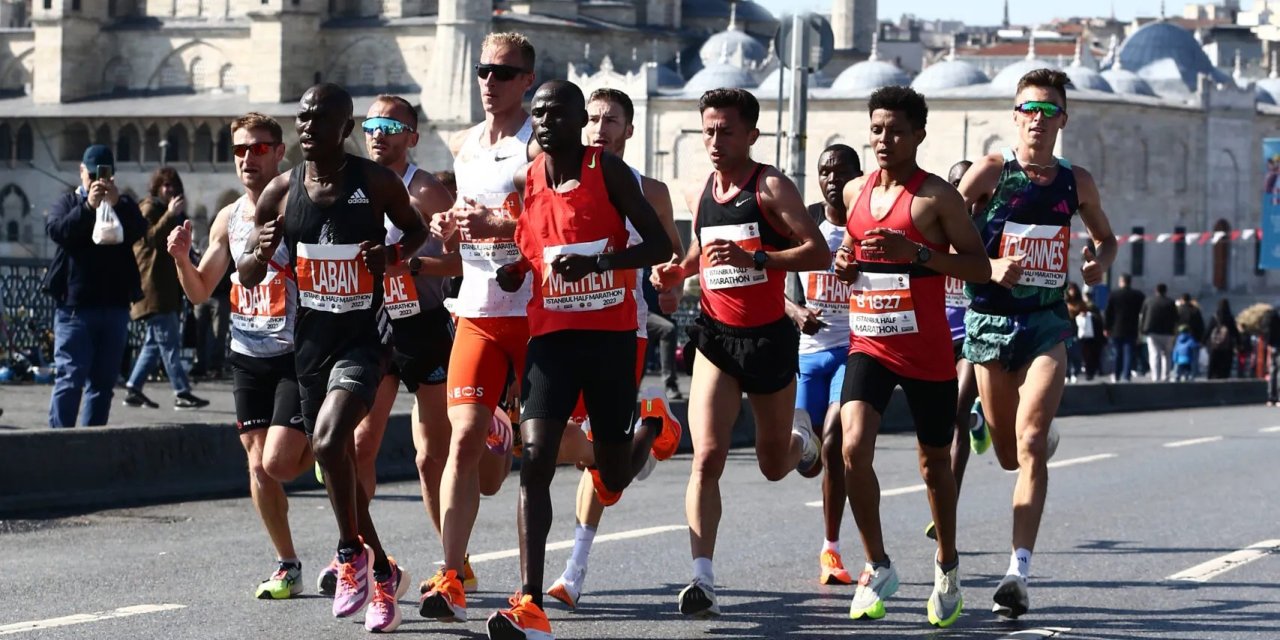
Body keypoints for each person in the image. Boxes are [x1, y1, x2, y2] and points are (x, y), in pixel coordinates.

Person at [482, 79, 672, 640]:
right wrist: (516, 269)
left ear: (577, 120)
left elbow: (659, 246)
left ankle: (653, 425)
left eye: (557, 113)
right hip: (551, 339)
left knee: (611, 473)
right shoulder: (528, 176)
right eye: (538, 113)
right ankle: (530, 601)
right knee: (536, 459)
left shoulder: (606, 171)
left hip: (609, 339)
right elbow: (535, 243)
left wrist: (599, 266)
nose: (545, 122)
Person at [238, 83, 429, 633]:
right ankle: (383, 572)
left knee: (327, 442)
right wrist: (258, 252)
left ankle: (349, 555)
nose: (307, 127)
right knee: (336, 463)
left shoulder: (375, 182)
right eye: (301, 118)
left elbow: (416, 230)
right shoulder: (280, 191)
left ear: (344, 129)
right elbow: (247, 273)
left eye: (320, 119)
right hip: (311, 347)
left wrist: (392, 253)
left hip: (364, 340)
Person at [650, 88, 828, 618]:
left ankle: (803, 441)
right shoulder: (698, 188)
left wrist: (758, 259)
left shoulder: (770, 186)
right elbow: (703, 247)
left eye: (726, 131)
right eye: (708, 130)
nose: (714, 140)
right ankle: (702, 579)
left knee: (774, 465)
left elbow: (817, 250)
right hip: (716, 338)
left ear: (751, 134)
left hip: (768, 338)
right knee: (707, 457)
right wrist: (678, 271)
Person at [957, 68, 1117, 619]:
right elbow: (942, 233)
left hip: (1047, 323)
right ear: (1016, 116)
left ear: (1062, 120)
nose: (1038, 120)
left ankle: (1017, 573)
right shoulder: (991, 173)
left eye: (1049, 111)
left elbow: (1106, 238)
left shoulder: (1077, 182)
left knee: (1028, 442)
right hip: (991, 322)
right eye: (1030, 110)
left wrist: (1100, 263)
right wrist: (988, 266)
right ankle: (1029, 432)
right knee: (1008, 455)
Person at [832, 87, 991, 628]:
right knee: (852, 447)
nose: (884, 140)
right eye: (877, 129)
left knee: (934, 466)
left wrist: (918, 254)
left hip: (925, 350)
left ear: (919, 135)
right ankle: (877, 565)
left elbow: (979, 267)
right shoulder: (854, 190)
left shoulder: (937, 197)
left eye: (896, 131)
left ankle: (947, 565)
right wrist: (846, 263)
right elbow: (852, 251)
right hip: (869, 340)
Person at [544, 87, 686, 611]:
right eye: (594, 119)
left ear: (629, 129)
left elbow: (670, 253)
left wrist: (668, 283)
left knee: (598, 461)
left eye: (612, 120)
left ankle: (573, 570)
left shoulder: (651, 189)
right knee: (574, 448)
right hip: (563, 325)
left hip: (623, 330)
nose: (600, 128)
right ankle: (649, 427)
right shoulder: (561, 180)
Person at [417, 32, 541, 627]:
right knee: (461, 439)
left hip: (535, 315)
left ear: (527, 81)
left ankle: (625, 442)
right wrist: (448, 225)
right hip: (477, 311)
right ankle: (451, 575)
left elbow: (554, 223)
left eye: (503, 72)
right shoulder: (463, 143)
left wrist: (499, 223)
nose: (490, 81)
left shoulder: (537, 144)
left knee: (545, 452)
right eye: (483, 71)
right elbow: (462, 226)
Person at [167, 112, 313, 599]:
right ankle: (287, 564)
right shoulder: (229, 217)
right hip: (247, 353)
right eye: (239, 150)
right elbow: (200, 290)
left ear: (279, 152)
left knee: (279, 463)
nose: (247, 158)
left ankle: (329, 446)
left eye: (258, 148)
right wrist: (181, 258)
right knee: (257, 467)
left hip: (294, 352)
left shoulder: (299, 205)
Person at [783, 143, 862, 585]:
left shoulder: (867, 224)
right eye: (825, 172)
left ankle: (830, 549)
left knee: (833, 439)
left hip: (854, 350)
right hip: (809, 355)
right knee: (806, 459)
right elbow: (766, 278)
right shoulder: (806, 222)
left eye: (842, 172)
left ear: (857, 177)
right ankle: (808, 449)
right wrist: (795, 311)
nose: (833, 180)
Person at [43, 144, 146, 428]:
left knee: (103, 384)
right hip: (75, 308)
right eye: (92, 175)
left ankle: (93, 441)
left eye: (104, 176)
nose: (97, 182)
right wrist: (88, 207)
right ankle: (59, 442)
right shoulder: (68, 202)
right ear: (81, 172)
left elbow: (139, 229)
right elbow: (57, 231)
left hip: (114, 306)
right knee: (70, 378)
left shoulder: (122, 204)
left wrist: (117, 203)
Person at [923, 159, 991, 544]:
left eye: (972, 188)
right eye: (956, 186)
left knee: (956, 414)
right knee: (937, 424)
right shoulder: (934, 229)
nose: (965, 195)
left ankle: (947, 506)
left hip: (972, 336)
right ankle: (981, 419)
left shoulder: (986, 232)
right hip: (935, 336)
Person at [123, 167, 209, 410]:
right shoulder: (149, 208)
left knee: (154, 342)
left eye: (173, 186)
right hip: (154, 289)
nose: (169, 190)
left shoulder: (168, 212)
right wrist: (171, 215)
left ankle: (133, 388)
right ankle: (182, 392)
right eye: (165, 185)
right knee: (169, 342)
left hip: (166, 288)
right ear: (157, 187)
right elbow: (149, 238)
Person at [1103, 274, 1143, 382]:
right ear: (1130, 282)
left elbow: (1108, 312)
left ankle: (1116, 374)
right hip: (1132, 327)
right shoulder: (1138, 295)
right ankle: (1126, 375)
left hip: (1117, 328)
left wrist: (1106, 327)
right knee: (1129, 352)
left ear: (1121, 281)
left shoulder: (1114, 295)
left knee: (1117, 352)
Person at [1139, 283, 1178, 382]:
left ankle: (1155, 376)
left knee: (1154, 354)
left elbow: (1143, 316)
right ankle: (1166, 376)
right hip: (1168, 332)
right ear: (1166, 291)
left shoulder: (1149, 301)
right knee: (1167, 355)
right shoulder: (1170, 302)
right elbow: (1175, 318)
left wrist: (1142, 330)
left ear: (1156, 290)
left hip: (1152, 332)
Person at [1205, 299, 1240, 379]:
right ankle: (1224, 377)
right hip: (1226, 346)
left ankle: (1211, 377)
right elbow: (1235, 331)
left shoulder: (1214, 317)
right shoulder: (1230, 318)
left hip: (1215, 346)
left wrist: (1203, 341)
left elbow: (1208, 330)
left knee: (1213, 363)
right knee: (1225, 364)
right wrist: (1239, 342)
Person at [1176, 293, 1205, 378]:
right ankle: (1193, 373)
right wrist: (1201, 339)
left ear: (1182, 300)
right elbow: (1201, 325)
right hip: (1193, 336)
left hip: (1180, 337)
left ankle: (1178, 372)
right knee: (1194, 357)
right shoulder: (1195, 310)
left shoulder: (1178, 310)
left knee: (1179, 355)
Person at [1079, 290, 1106, 380]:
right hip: (1095, 336)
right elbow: (1100, 322)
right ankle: (1095, 371)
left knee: (1088, 356)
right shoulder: (1095, 307)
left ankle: (1089, 373)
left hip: (1087, 336)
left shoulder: (1085, 308)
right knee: (1094, 355)